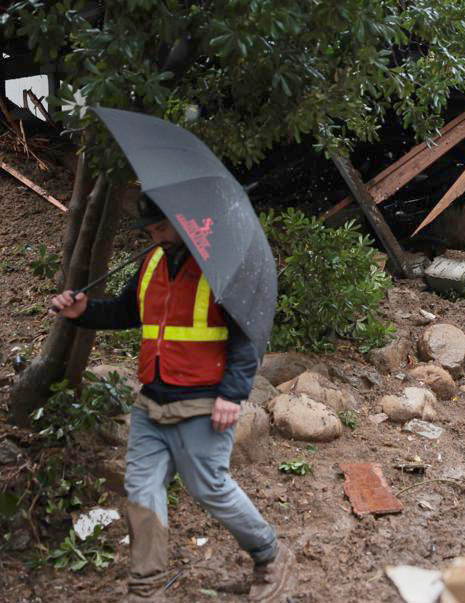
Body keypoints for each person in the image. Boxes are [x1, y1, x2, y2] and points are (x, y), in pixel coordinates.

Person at [51, 195, 294, 602]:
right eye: (150, 229)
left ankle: (271, 555)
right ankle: (147, 588)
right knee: (142, 489)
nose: (155, 236)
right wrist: (83, 311)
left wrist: (232, 395)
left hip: (203, 402)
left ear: (186, 222)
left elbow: (246, 338)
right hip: (151, 402)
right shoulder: (149, 265)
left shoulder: (221, 270)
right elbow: (126, 313)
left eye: (161, 227)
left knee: (208, 487)